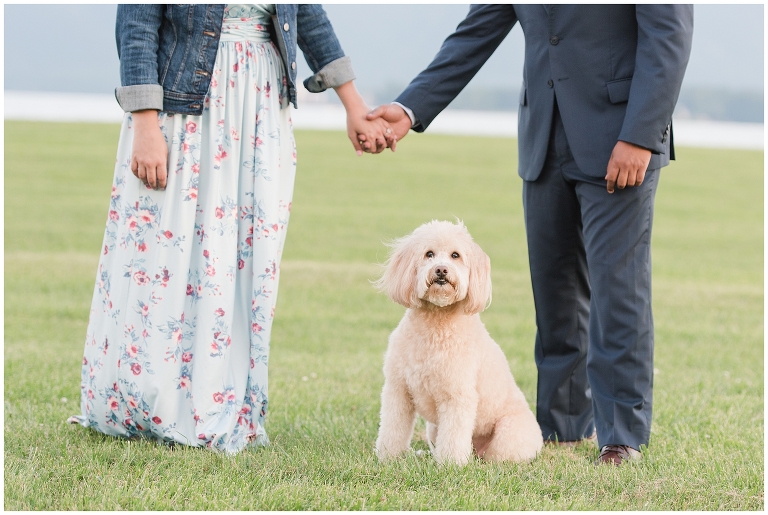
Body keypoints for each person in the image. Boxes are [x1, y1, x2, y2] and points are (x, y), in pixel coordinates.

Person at [365, 5, 693, 465]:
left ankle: (622, 437)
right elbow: (476, 32)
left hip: (620, 135)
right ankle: (562, 424)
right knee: (554, 288)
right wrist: (410, 107)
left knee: (619, 289)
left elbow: (669, 34)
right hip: (544, 133)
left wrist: (641, 135)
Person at [68, 4, 392, 453]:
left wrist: (354, 105)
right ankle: (150, 401)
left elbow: (308, 16)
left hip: (260, 103)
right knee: (165, 251)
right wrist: (145, 121)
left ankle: (218, 401)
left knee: (241, 257)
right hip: (183, 107)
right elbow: (138, 22)